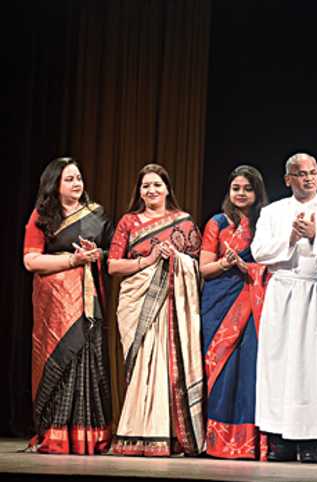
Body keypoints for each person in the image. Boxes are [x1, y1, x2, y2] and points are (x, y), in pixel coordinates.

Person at [250, 152, 317, 462]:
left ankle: (309, 442)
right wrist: (291, 238)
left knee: (312, 368)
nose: (308, 178)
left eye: (313, 172)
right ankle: (280, 440)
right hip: (283, 294)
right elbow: (258, 252)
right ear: (288, 179)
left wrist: (316, 235)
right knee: (279, 366)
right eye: (301, 173)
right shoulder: (272, 212)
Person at [108, 163, 205, 457]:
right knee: (141, 366)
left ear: (167, 189)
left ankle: (169, 435)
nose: (151, 190)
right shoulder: (129, 222)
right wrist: (149, 260)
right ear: (139, 191)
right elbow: (113, 265)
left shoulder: (183, 222)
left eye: (156, 185)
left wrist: (176, 259)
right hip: (137, 299)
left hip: (172, 303)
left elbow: (198, 268)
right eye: (145, 186)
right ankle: (135, 432)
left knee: (167, 363)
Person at [22, 157, 113, 454]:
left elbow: (111, 254)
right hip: (54, 306)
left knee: (88, 362)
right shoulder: (42, 217)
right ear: (55, 185)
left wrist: (96, 253)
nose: (77, 184)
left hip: (87, 301)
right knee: (60, 364)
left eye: (79, 178)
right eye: (69, 179)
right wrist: (73, 260)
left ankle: (90, 436)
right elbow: (31, 260)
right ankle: (56, 434)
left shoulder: (96, 216)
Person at [200, 165, 269, 459]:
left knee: (249, 371)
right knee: (220, 369)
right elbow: (204, 268)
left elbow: (271, 264)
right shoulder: (217, 223)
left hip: (252, 300)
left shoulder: (265, 224)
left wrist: (248, 268)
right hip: (219, 301)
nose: (241, 194)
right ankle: (216, 442)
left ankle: (249, 443)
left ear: (257, 192)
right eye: (236, 188)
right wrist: (227, 265)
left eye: (247, 189)